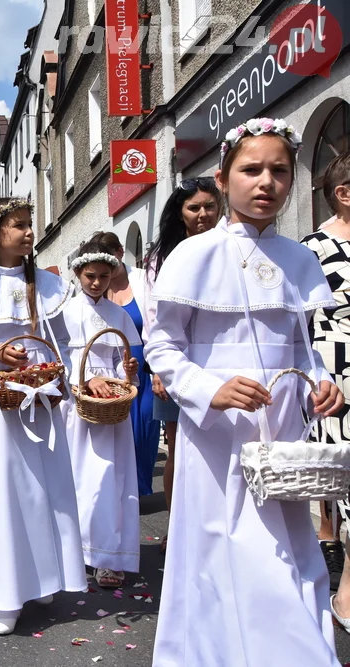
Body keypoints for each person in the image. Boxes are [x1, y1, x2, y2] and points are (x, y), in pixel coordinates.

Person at [147, 118, 344, 665]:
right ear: (223, 175)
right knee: (222, 546)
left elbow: (302, 345)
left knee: (286, 551)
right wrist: (209, 389)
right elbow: (161, 345)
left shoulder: (301, 258)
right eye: (251, 169)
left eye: (279, 171)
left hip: (282, 430)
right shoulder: (192, 255)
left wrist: (321, 384)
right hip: (217, 431)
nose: (267, 183)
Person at [0, 196, 85, 635]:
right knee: (4, 494)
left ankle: (43, 578)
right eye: (21, 225)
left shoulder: (47, 284)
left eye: (31, 224)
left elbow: (62, 341)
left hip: (40, 398)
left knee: (44, 490)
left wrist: (63, 378)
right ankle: (6, 591)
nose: (30, 232)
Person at [138, 177, 222, 552]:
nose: (203, 214)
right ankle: (177, 524)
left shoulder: (228, 246)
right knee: (178, 448)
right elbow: (154, 317)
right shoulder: (162, 256)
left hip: (220, 360)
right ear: (180, 213)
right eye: (194, 207)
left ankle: (216, 524)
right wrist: (159, 369)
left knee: (220, 445)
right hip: (177, 363)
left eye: (209, 206)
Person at [62, 241, 141, 589]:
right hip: (77, 402)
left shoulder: (118, 315)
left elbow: (122, 367)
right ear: (78, 274)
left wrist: (128, 371)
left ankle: (108, 556)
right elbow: (60, 358)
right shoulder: (64, 311)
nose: (96, 283)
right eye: (90, 276)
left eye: (104, 277)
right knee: (77, 476)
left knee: (111, 477)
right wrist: (83, 379)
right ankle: (73, 550)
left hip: (110, 405)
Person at [302, 150, 350, 624]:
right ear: (344, 193)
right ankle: (344, 585)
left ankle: (332, 542)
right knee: (342, 468)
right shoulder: (311, 250)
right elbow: (298, 324)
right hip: (335, 372)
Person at [94, 232, 161, 500]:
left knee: (145, 426)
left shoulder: (143, 281)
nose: (106, 270)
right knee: (118, 430)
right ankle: (120, 492)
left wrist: (158, 370)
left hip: (142, 363)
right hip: (110, 368)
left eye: (111, 259)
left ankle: (140, 490)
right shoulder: (97, 286)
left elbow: (157, 324)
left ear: (121, 252)